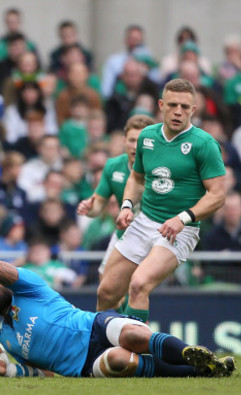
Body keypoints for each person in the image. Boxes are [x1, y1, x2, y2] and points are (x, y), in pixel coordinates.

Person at [0, 242, 235, 379]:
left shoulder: (28, 286)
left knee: (132, 335)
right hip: (83, 367)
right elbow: (44, 375)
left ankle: (191, 353)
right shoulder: (6, 339)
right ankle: (200, 371)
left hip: (93, 325)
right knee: (121, 360)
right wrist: (6, 370)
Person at [97, 79, 226, 322]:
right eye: (173, 104)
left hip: (180, 229)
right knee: (106, 291)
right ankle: (105, 348)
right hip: (144, 220)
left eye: (185, 107)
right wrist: (126, 206)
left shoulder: (205, 144)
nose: (178, 111)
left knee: (139, 284)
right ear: (161, 105)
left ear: (194, 110)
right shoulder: (147, 137)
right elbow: (136, 178)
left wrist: (182, 218)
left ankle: (137, 355)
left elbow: (218, 195)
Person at [77, 115, 155, 293]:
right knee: (105, 283)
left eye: (142, 140)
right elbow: (98, 203)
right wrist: (89, 208)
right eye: (132, 140)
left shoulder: (164, 168)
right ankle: (118, 320)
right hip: (125, 234)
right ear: (124, 141)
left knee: (138, 285)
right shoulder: (113, 166)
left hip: (156, 237)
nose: (136, 146)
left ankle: (135, 319)